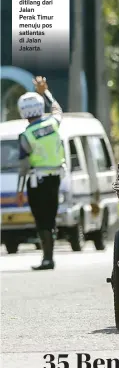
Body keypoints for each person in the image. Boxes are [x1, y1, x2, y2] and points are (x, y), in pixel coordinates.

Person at [16, 76, 65, 270]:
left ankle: (47, 258)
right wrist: (45, 92)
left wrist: (19, 190)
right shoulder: (53, 124)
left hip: (37, 182)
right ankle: (49, 257)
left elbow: (24, 166)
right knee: (51, 216)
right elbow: (57, 109)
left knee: (41, 218)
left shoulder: (26, 135)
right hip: (55, 178)